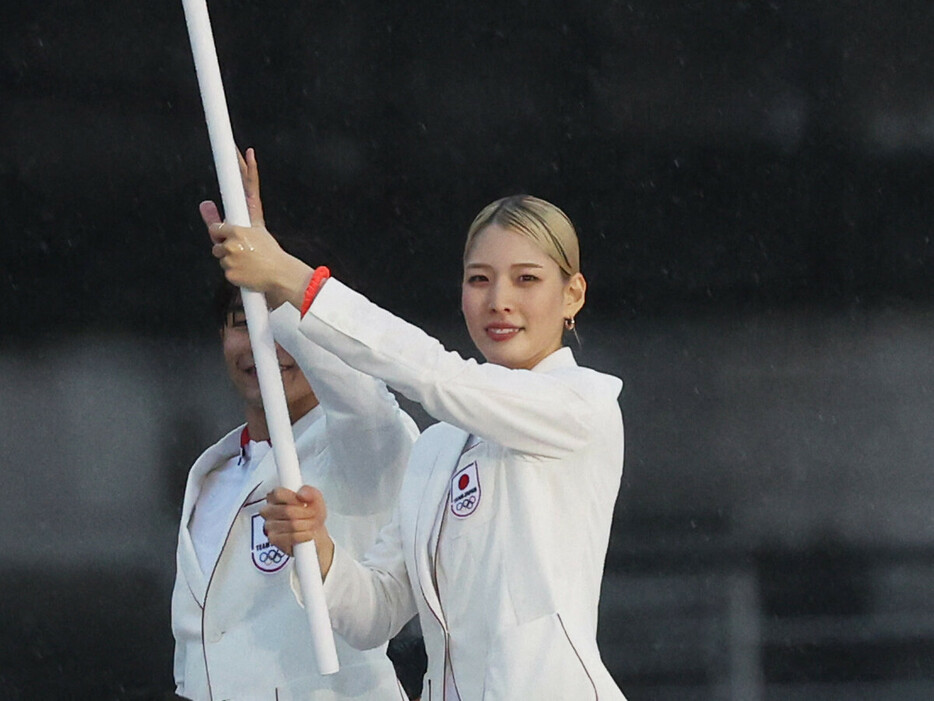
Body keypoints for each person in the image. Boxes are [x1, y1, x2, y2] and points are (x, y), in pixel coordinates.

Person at [203, 150, 627, 700]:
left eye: (526, 279)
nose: (499, 301)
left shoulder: (582, 404)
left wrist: (288, 278)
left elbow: (433, 375)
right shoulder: (439, 448)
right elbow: (375, 612)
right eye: (480, 279)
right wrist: (317, 545)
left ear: (573, 294)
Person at [172, 154, 420, 700]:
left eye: (280, 319)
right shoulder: (212, 474)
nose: (264, 344)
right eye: (244, 322)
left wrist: (277, 273)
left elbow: (364, 399)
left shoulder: (364, 446)